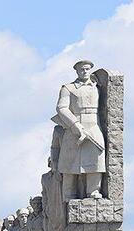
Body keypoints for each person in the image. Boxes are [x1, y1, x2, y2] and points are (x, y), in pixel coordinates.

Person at [53, 59, 106, 200]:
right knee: (70, 163)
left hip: (94, 125)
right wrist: (75, 125)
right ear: (76, 71)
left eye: (87, 69)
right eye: (82, 69)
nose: (85, 71)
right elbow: (61, 108)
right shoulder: (68, 88)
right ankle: (69, 194)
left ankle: (93, 190)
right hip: (74, 127)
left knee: (96, 159)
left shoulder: (96, 86)